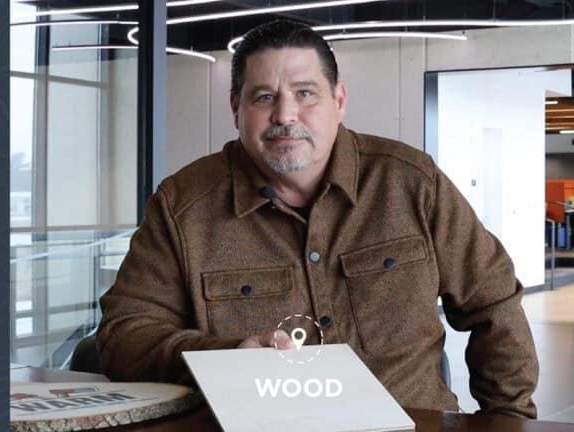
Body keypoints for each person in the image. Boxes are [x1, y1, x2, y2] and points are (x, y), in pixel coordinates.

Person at [97, 19, 538, 418]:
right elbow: (123, 334)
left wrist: (509, 419)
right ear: (236, 108)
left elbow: (494, 305)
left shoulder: (412, 184)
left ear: (338, 100)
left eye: (305, 93)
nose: (285, 115)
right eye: (264, 97)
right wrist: (224, 356)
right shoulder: (183, 207)